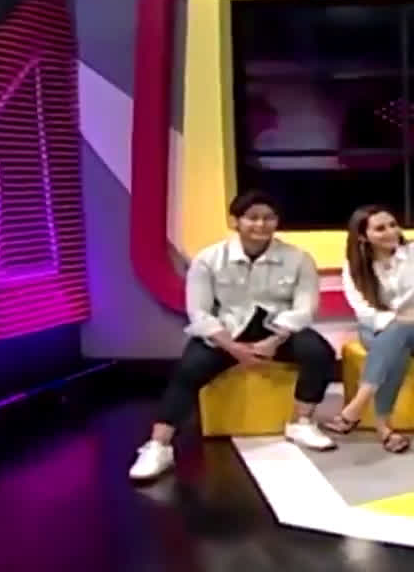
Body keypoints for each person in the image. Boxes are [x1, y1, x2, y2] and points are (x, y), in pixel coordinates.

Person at [129, 190, 337, 482]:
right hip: (228, 331)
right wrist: (231, 347)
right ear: (235, 221)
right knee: (188, 369)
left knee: (319, 353)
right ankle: (159, 445)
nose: (261, 225)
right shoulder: (208, 259)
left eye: (268, 218)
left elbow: (305, 308)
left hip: (277, 330)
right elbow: (199, 312)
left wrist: (274, 341)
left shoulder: (298, 259)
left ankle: (302, 422)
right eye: (252, 218)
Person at [321, 206, 414, 453]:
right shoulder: (355, 266)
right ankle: (383, 427)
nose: (391, 231)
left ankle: (357, 407)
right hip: (376, 328)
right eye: (380, 228)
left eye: (393, 225)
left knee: (394, 338)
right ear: (363, 236)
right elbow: (365, 312)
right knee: (396, 342)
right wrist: (403, 319)